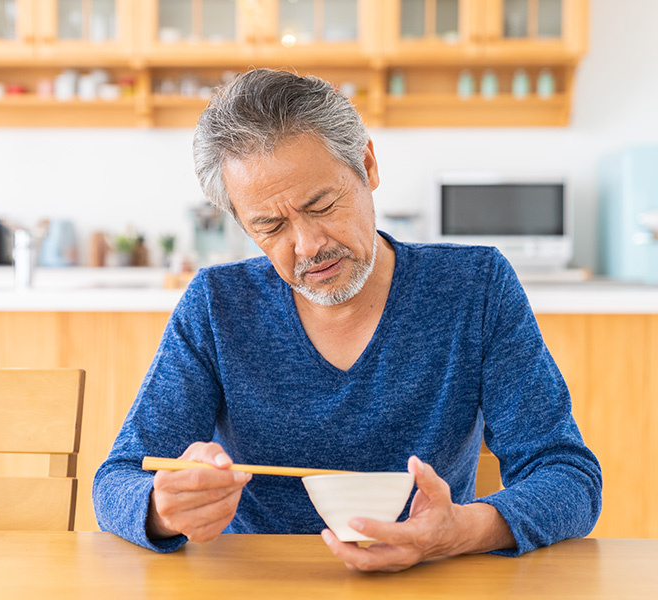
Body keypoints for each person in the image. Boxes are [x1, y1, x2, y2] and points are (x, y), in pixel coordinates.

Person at [93, 68, 602, 572]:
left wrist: (458, 532)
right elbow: (117, 480)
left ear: (368, 165)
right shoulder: (217, 304)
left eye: (322, 205)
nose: (308, 247)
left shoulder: (475, 286)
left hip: (431, 580)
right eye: (270, 226)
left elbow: (568, 475)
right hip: (259, 581)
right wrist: (163, 508)